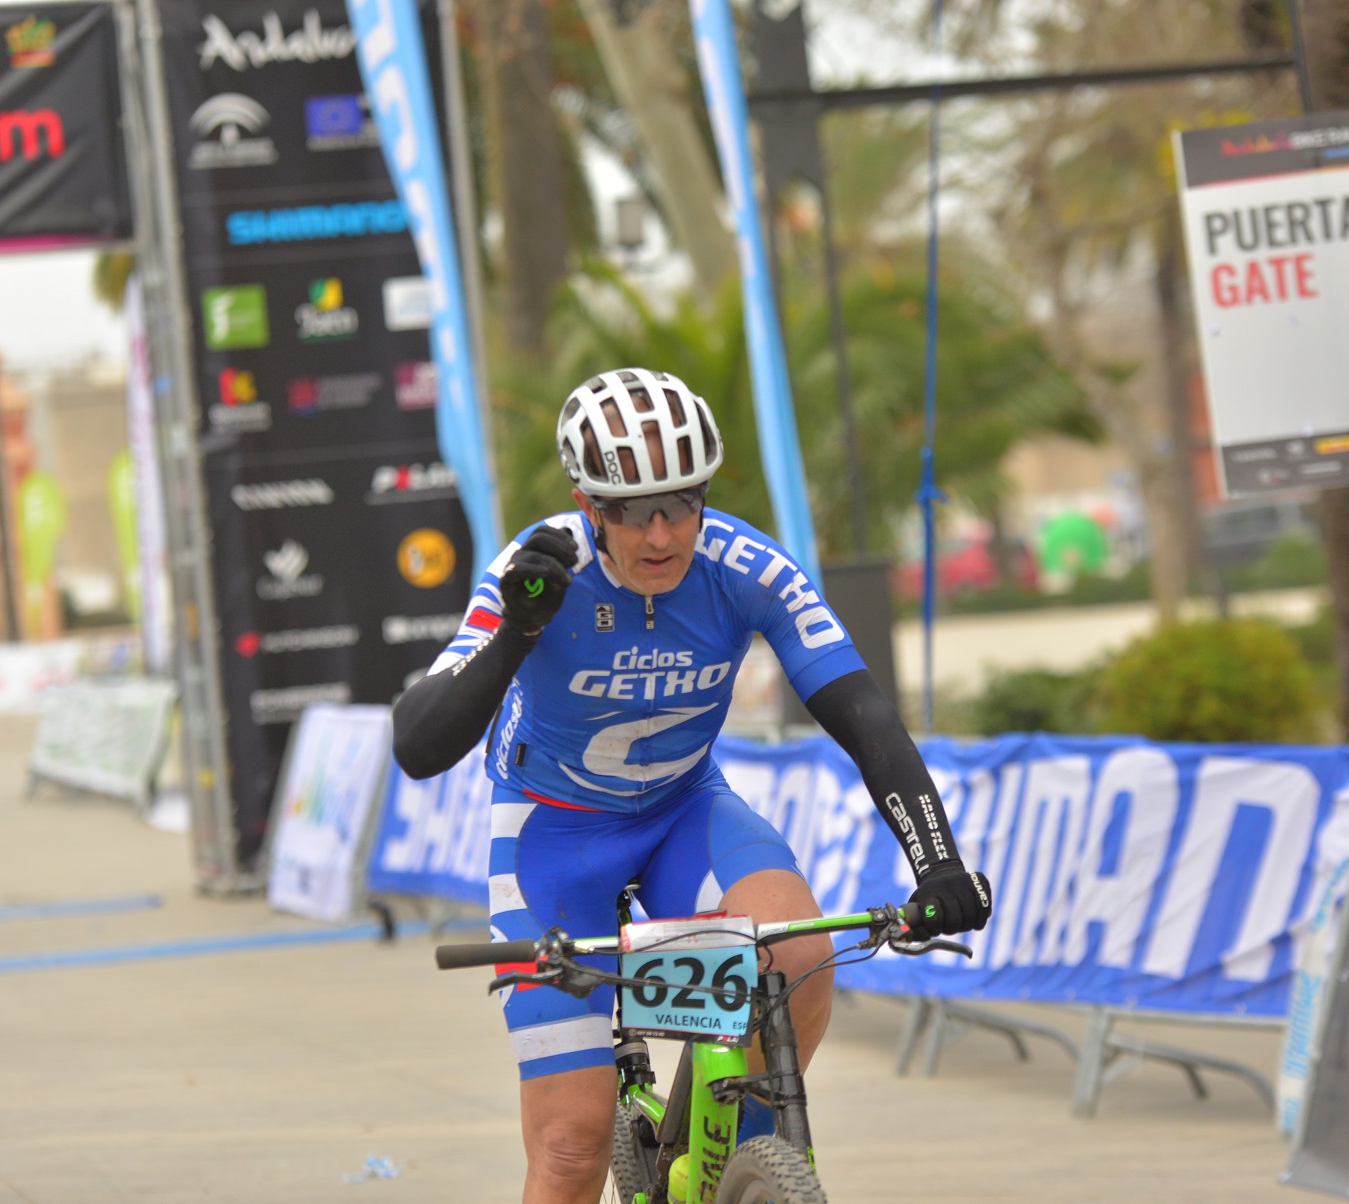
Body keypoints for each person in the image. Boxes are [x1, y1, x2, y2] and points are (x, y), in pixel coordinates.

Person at [393, 368, 991, 1204]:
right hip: (552, 835)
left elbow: (864, 716)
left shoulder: (745, 567)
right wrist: (514, 636)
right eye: (632, 511)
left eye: (681, 503)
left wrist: (938, 864)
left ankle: (732, 1170)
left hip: (683, 811)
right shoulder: (538, 570)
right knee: (570, 1148)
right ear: (587, 504)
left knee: (800, 956)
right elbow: (417, 745)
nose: (661, 534)